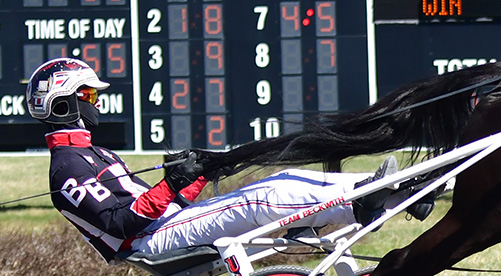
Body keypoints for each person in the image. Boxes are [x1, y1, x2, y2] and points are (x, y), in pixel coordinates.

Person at [28, 57, 401, 261]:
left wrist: (201, 174)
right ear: (62, 103)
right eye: (89, 96)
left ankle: (381, 191)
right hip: (147, 241)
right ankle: (359, 203)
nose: (96, 103)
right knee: (262, 199)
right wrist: (170, 183)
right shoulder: (67, 168)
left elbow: (164, 203)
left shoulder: (93, 153)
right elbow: (120, 223)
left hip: (165, 225)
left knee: (282, 179)